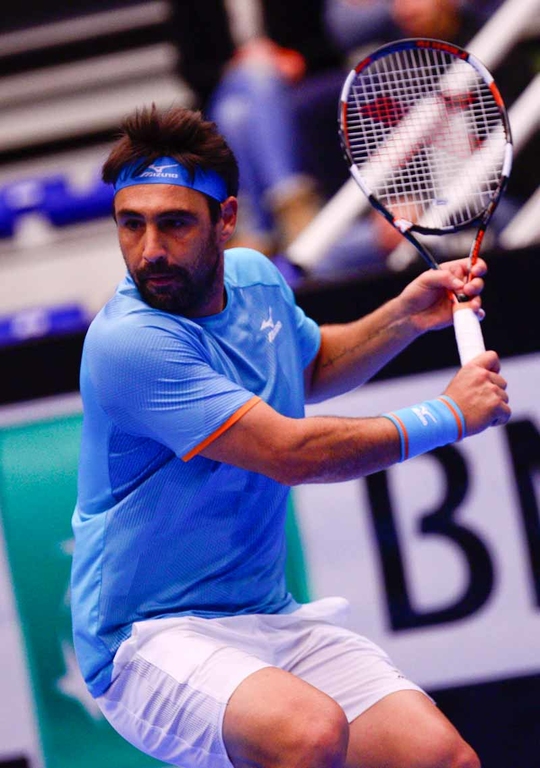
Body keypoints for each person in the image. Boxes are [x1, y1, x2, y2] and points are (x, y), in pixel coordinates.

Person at [71, 104, 510, 768]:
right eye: (131, 224)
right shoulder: (130, 343)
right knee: (307, 734)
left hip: (265, 615)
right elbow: (291, 454)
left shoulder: (254, 279)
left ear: (225, 219)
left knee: (442, 759)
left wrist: (402, 318)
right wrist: (448, 414)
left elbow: (311, 366)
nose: (150, 249)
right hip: (144, 641)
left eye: (174, 223)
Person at [170, 0, 346, 254]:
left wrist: (297, 59)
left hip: (285, 81)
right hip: (228, 85)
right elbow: (193, 70)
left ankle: (259, 231)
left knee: (234, 116)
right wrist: (235, 68)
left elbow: (328, 39)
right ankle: (292, 200)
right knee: (254, 77)